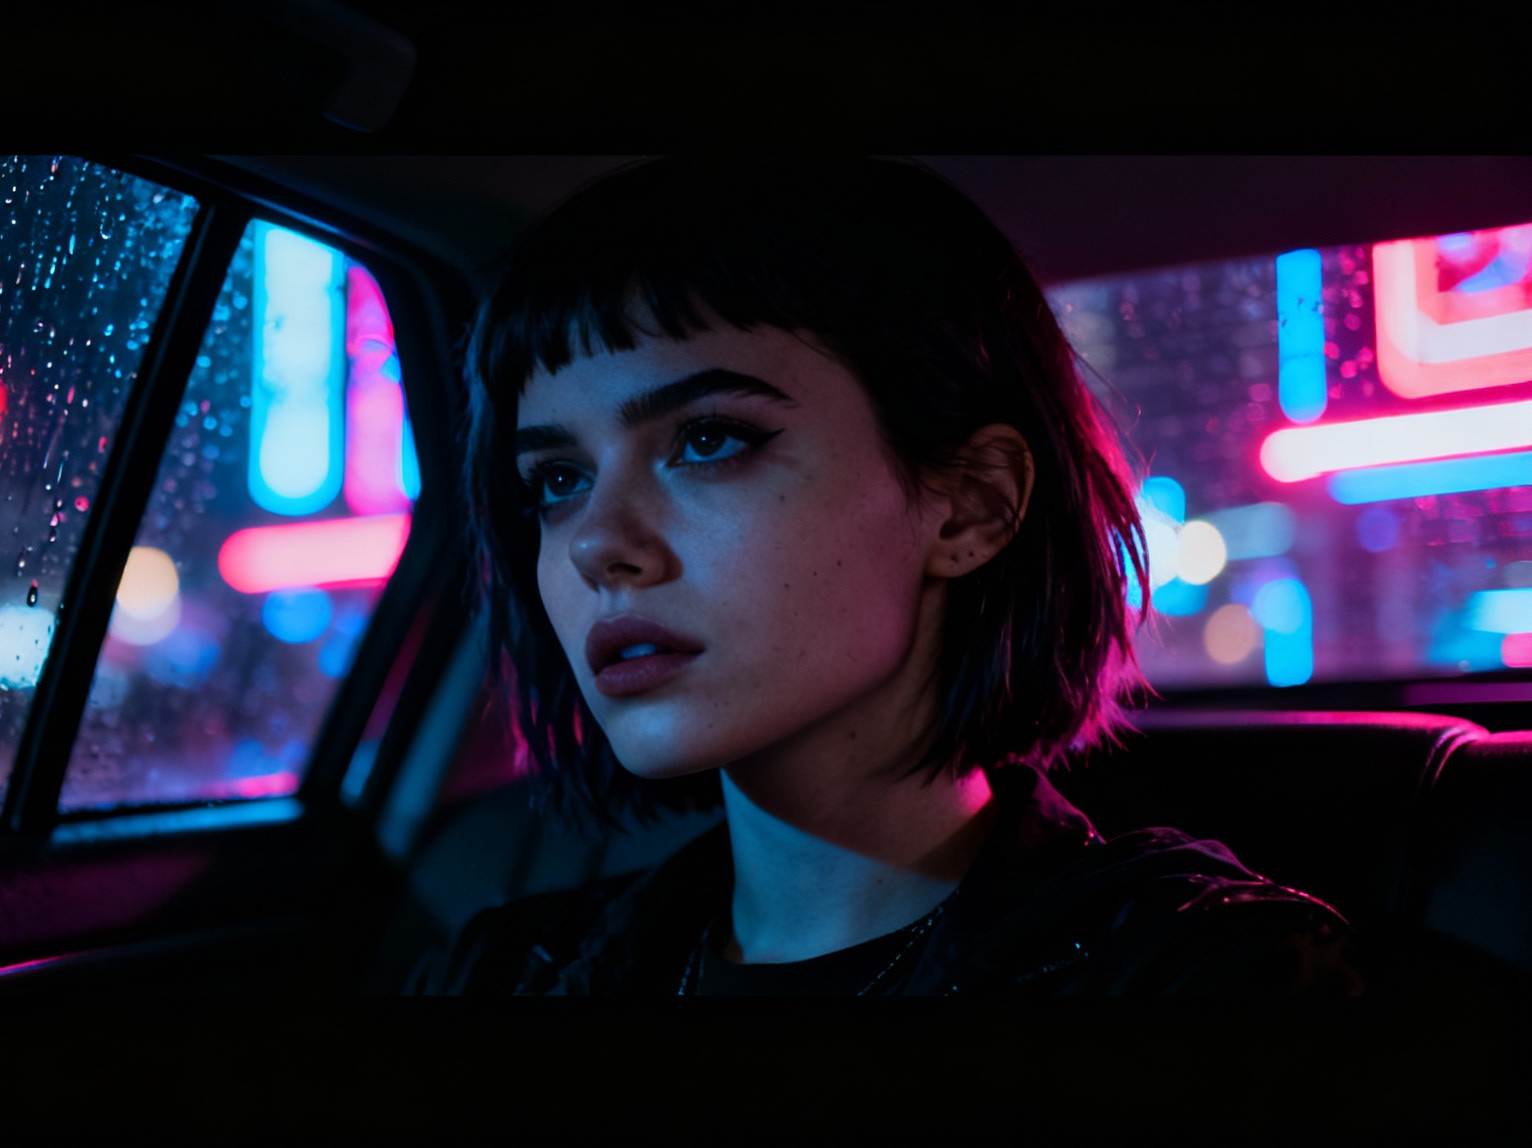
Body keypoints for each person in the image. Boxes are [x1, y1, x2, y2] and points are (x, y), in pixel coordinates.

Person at [410, 157, 1361, 995]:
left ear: (971, 506)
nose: (594, 543)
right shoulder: (502, 971)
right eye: (557, 481)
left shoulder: (1203, 970)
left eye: (708, 441)